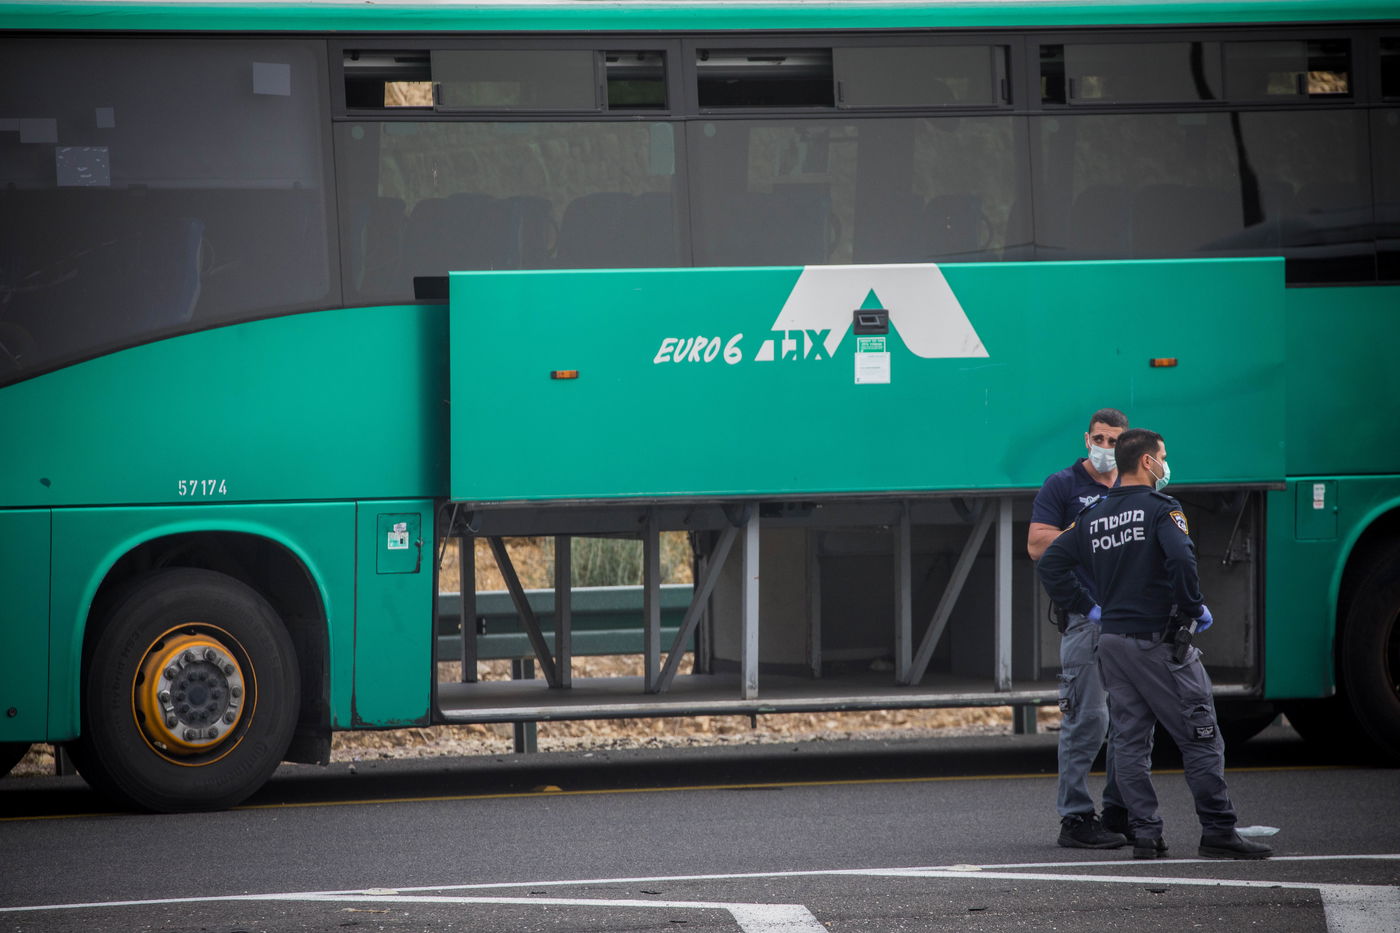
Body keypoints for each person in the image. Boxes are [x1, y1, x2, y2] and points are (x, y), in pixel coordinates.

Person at [1036, 428, 1273, 860]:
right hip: (1158, 642)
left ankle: (1145, 834)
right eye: (1162, 456)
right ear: (1147, 462)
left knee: (1129, 740)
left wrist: (1087, 607)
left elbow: (1051, 562)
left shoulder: (1094, 517)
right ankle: (1219, 830)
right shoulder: (1163, 509)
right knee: (1201, 736)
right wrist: (1193, 607)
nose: (1166, 463)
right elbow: (1182, 558)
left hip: (1112, 644)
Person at [1028, 408, 1130, 849]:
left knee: (1131, 724)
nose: (1106, 449)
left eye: (1114, 442)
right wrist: (1090, 529)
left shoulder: (1135, 488)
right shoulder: (1063, 485)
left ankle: (1119, 813)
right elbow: (1037, 545)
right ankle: (1075, 818)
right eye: (1100, 439)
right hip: (1086, 621)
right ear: (1086, 439)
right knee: (1088, 720)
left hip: (1132, 621)